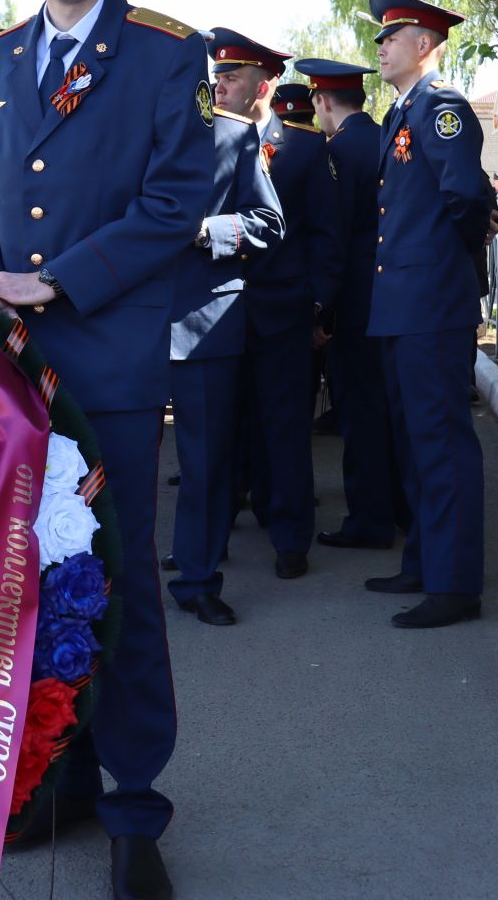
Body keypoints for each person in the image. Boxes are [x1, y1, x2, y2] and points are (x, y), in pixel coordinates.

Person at [0, 0, 206, 900]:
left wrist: (57, 281)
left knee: (121, 584)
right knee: (23, 577)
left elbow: (176, 201)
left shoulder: (160, 51)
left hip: (109, 357)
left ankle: (136, 810)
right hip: (11, 360)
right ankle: (54, 770)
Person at [363, 0, 496, 628]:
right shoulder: (404, 111)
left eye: (393, 36)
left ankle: (454, 585)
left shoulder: (441, 107)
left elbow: (467, 195)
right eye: (381, 36)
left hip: (431, 304)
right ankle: (423, 560)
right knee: (415, 442)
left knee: (441, 442)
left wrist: (457, 257)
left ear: (425, 46)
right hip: (402, 304)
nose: (381, 46)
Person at [208, 27, 341, 580]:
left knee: (284, 427)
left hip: (282, 309)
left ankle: (290, 537)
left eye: (231, 77)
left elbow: (325, 235)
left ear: (264, 84)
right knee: (216, 430)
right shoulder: (206, 141)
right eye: (216, 77)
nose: (218, 88)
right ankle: (207, 545)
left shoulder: (306, 149)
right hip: (217, 313)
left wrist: (318, 305)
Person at [165, 96, 284, 627]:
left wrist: (205, 231)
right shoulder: (112, 120)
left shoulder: (233, 135)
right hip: (119, 321)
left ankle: (197, 579)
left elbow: (268, 221)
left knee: (207, 464)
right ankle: (103, 581)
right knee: (108, 460)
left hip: (203, 322)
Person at [301, 58, 408, 551]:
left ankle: (369, 519)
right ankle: (400, 507)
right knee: (388, 407)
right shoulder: (386, 137)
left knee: (359, 412)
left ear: (322, 100)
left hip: (354, 301)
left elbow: (334, 238)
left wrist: (324, 311)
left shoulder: (337, 151)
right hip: (391, 295)